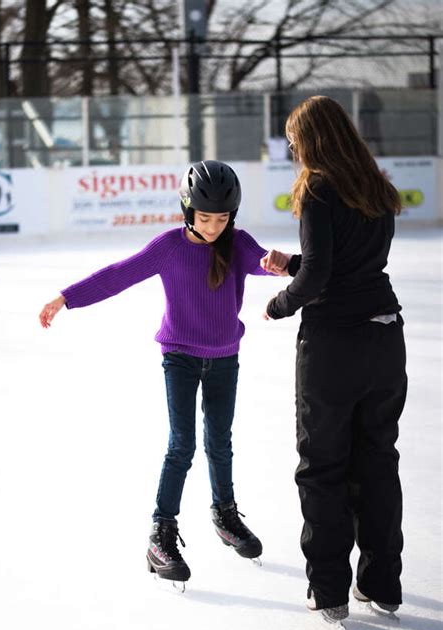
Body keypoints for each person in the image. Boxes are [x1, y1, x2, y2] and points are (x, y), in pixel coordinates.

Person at [39, 160, 287, 587]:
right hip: (181, 358)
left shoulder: (239, 243)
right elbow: (119, 275)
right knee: (182, 445)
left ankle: (225, 514)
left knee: (220, 442)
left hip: (226, 357)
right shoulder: (170, 246)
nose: (213, 226)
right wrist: (67, 297)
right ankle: (161, 534)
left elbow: (266, 263)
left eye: (222, 217)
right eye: (205, 217)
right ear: (188, 210)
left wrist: (285, 263)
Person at [261, 96, 407, 624]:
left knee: (323, 467)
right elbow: (352, 265)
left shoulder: (318, 185)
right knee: (376, 461)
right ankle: (383, 585)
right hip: (385, 340)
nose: (294, 151)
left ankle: (328, 591)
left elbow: (322, 279)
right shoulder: (375, 184)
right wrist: (292, 264)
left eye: (296, 141)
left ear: (312, 139)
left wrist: (279, 304)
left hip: (334, 348)